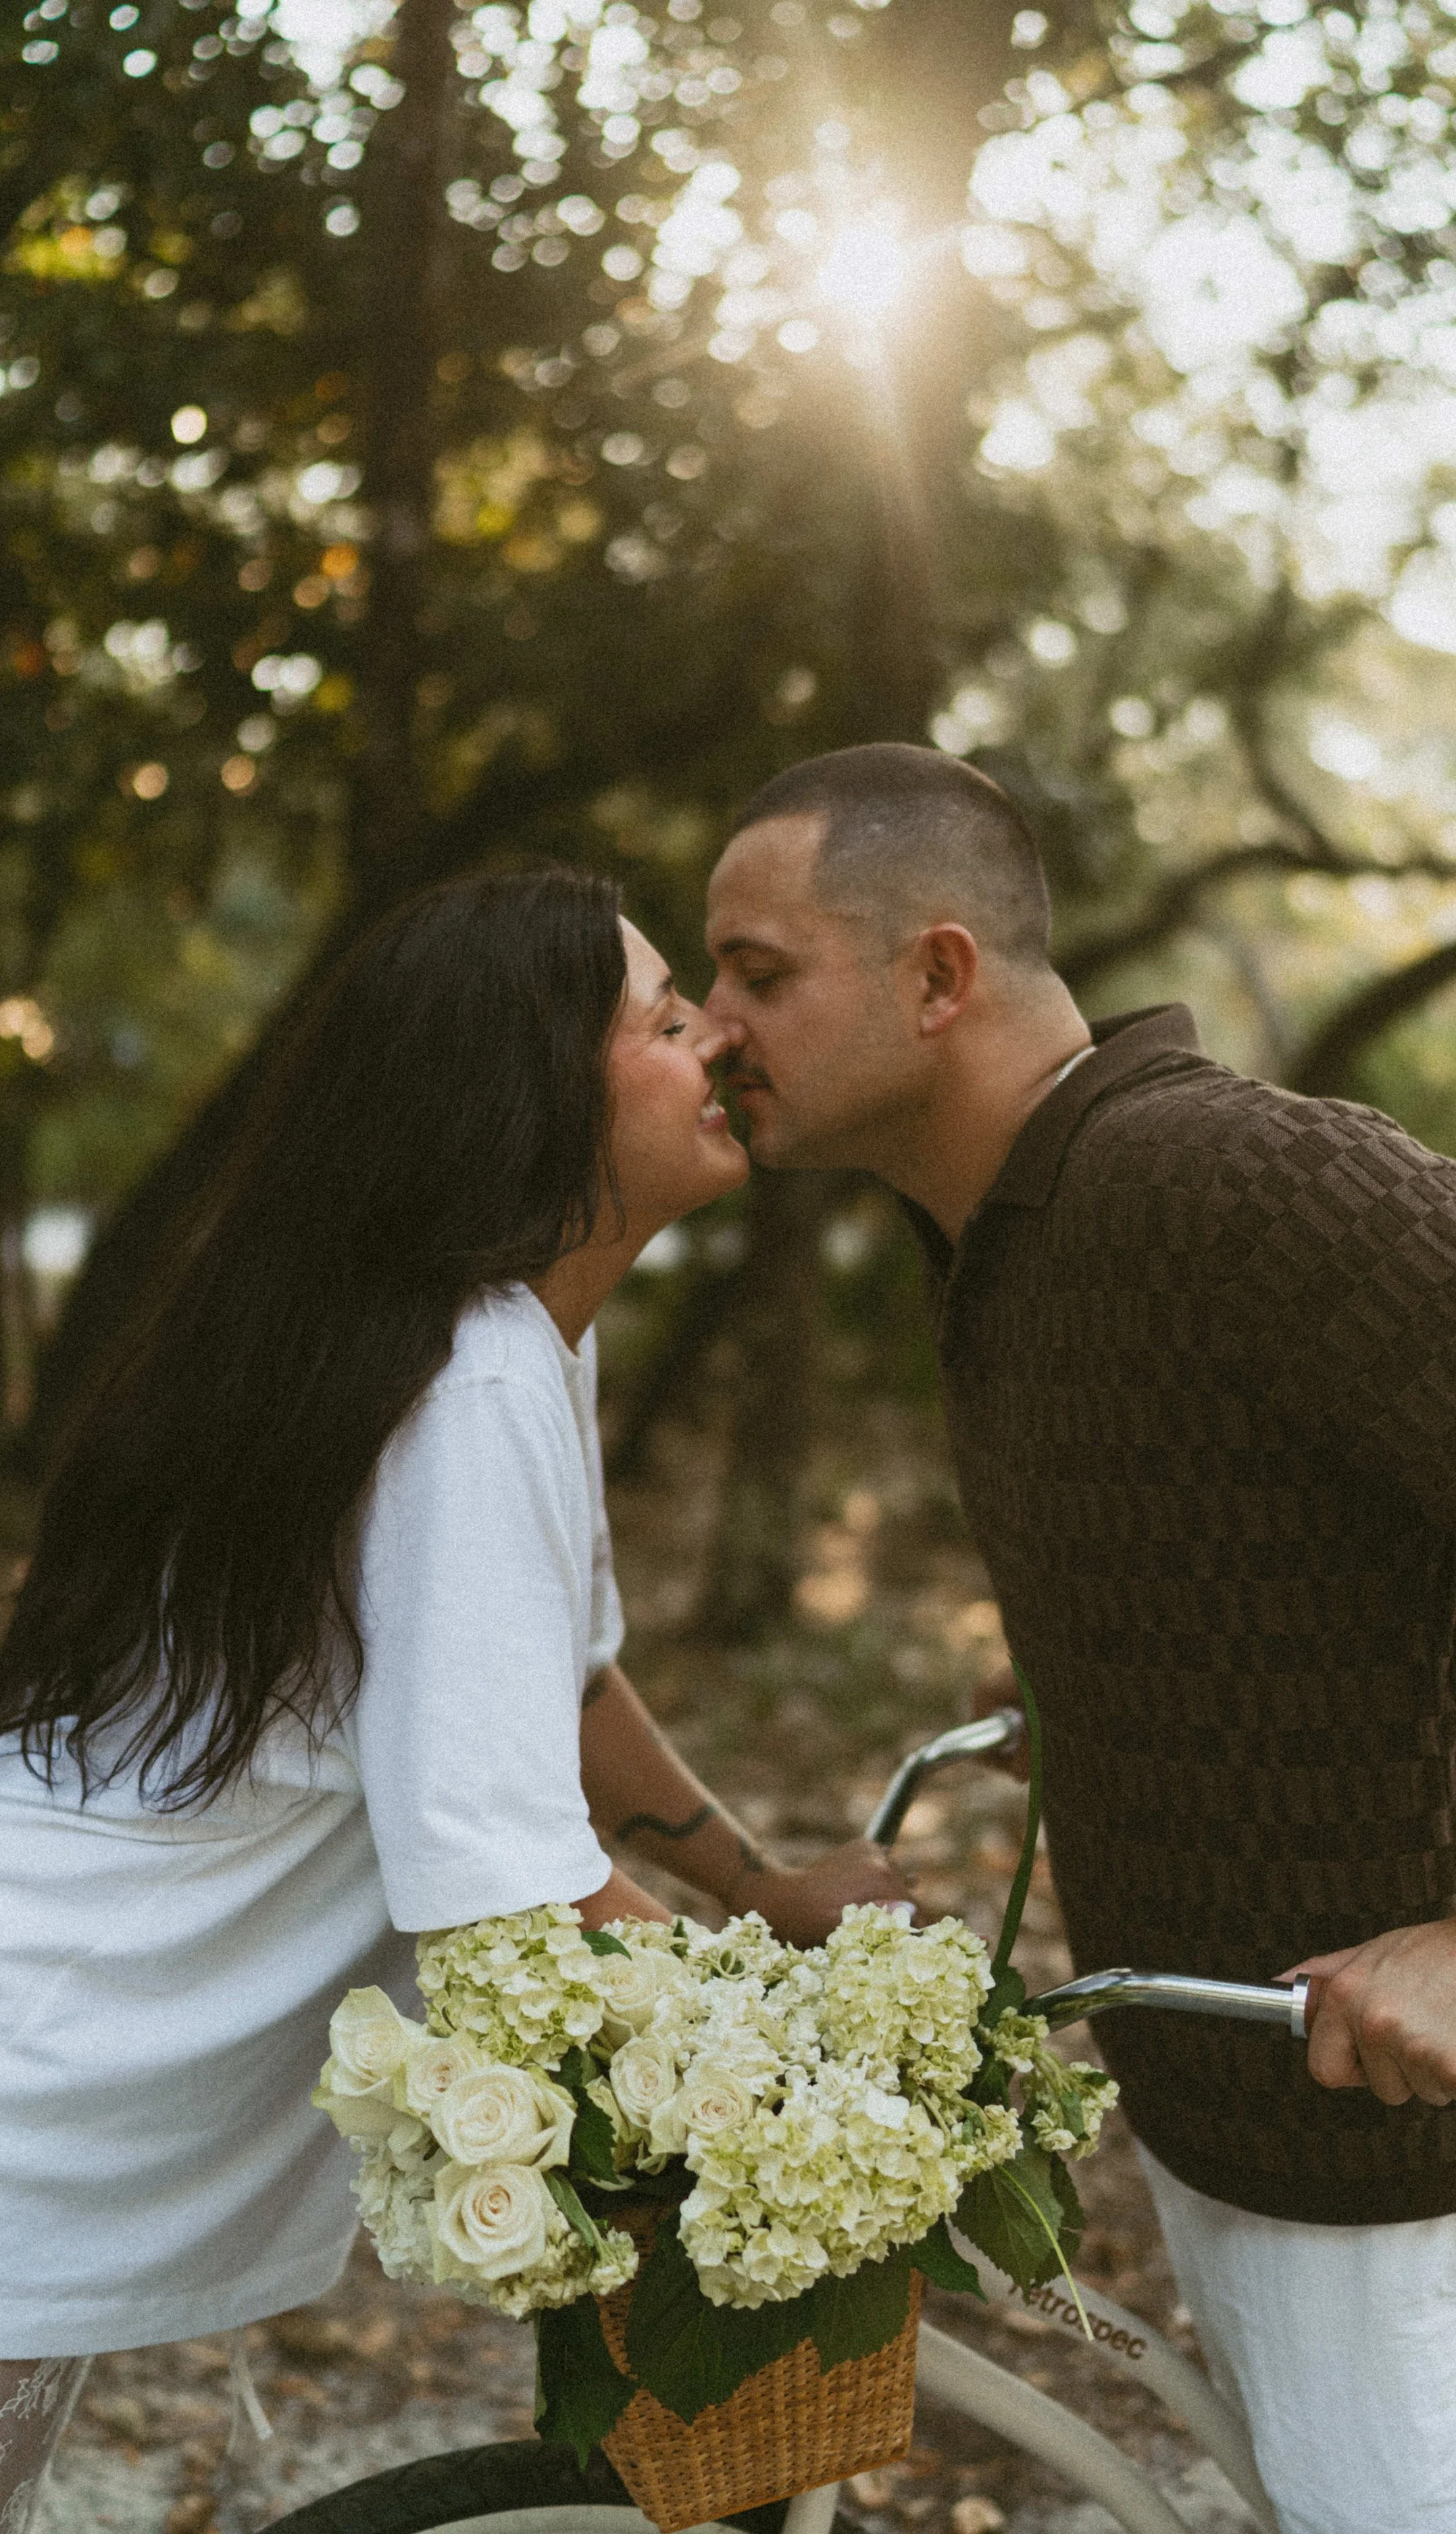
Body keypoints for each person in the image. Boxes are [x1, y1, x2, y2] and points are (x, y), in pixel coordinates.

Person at [702, 741, 1456, 2534]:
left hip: (1412, 2172)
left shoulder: (1221, 1173)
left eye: (756, 970)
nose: (710, 1023)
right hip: (1234, 2108)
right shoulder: (1005, 1227)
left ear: (939, 974)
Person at [0, 866, 907, 2531]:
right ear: (533, 1099)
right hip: (41, 2066)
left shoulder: (509, 1343)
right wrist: (792, 2072)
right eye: (657, 1014)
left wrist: (752, 1893)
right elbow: (507, 1883)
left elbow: (551, 1692)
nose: (708, 1032)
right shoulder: (476, 1372)